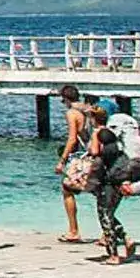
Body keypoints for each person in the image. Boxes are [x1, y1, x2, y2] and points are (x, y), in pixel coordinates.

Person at [92, 96, 140, 263]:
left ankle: (114, 254)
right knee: (109, 209)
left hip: (120, 169)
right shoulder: (130, 123)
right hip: (137, 166)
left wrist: (96, 134)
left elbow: (100, 151)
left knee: (104, 210)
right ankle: (125, 239)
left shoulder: (109, 128)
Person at [55, 87, 97, 241]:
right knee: (99, 192)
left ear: (65, 99)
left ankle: (73, 231)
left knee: (67, 189)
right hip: (96, 153)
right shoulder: (88, 109)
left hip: (86, 156)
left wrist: (62, 161)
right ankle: (108, 233)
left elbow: (72, 139)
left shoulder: (72, 113)